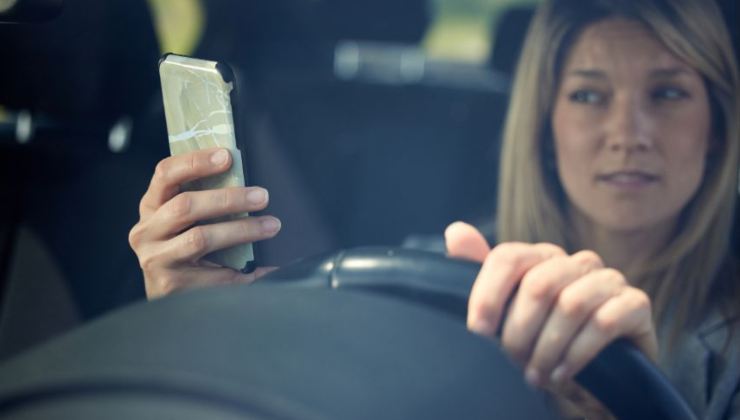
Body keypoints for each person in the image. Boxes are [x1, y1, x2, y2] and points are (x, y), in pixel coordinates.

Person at [128, 0, 739, 417]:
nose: (628, 132)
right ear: (546, 125)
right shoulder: (429, 275)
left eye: (667, 93)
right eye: (588, 94)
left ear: (716, 127)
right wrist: (201, 332)